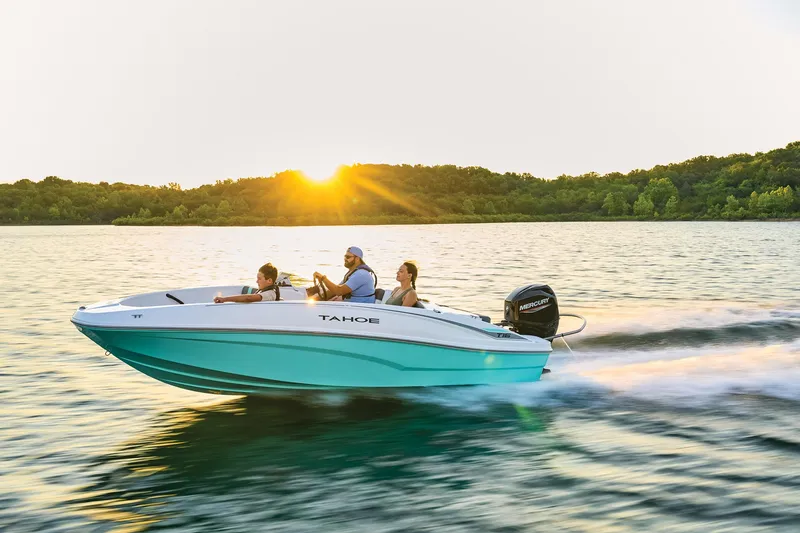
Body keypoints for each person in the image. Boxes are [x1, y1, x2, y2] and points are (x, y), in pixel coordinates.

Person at [310, 246, 377, 304]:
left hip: (361, 309)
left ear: (357, 259)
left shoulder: (361, 274)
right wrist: (315, 300)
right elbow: (334, 291)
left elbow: (339, 291)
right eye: (345, 256)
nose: (345, 259)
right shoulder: (353, 272)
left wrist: (323, 278)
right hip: (351, 305)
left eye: (348, 257)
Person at [214, 263, 280, 303]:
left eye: (259, 279)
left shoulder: (270, 294)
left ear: (269, 281)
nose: (257, 281)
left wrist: (224, 299)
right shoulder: (265, 291)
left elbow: (248, 298)